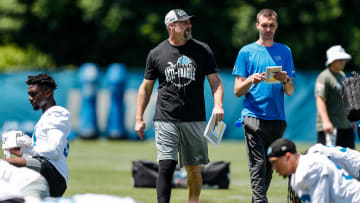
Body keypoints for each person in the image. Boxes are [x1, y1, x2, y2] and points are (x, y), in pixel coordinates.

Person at [134, 9, 224, 203]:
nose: (189, 25)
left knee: (193, 169)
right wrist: (139, 118)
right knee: (166, 165)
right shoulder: (156, 53)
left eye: (188, 22)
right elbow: (146, 88)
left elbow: (215, 82)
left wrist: (218, 105)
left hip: (194, 117)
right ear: (171, 26)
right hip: (165, 117)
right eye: (183, 23)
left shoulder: (202, 50)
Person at [232, 8, 295, 203]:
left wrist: (285, 80)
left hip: (277, 118)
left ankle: (257, 200)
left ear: (276, 27)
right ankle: (260, 201)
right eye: (265, 25)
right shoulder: (246, 52)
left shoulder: (285, 51)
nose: (268, 29)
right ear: (257, 25)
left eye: (272, 25)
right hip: (253, 116)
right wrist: (251, 80)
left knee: (269, 164)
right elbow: (237, 91)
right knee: (258, 163)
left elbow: (290, 90)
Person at [5, 73, 71, 197]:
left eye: (33, 94)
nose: (30, 98)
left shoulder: (56, 113)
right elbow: (42, 154)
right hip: (50, 172)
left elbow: (53, 151)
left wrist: (28, 148)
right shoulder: (47, 116)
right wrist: (22, 152)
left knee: (4, 165)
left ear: (47, 93)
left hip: (53, 173)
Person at [268, 138, 360, 202]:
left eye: (275, 162)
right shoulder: (296, 177)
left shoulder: (310, 167)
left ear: (288, 156)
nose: (274, 168)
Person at [315, 45, 355, 148]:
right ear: (331, 61)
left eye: (344, 59)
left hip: (345, 127)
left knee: (348, 161)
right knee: (329, 160)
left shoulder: (342, 75)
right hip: (332, 128)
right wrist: (326, 121)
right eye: (339, 59)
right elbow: (320, 99)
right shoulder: (324, 77)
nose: (343, 61)